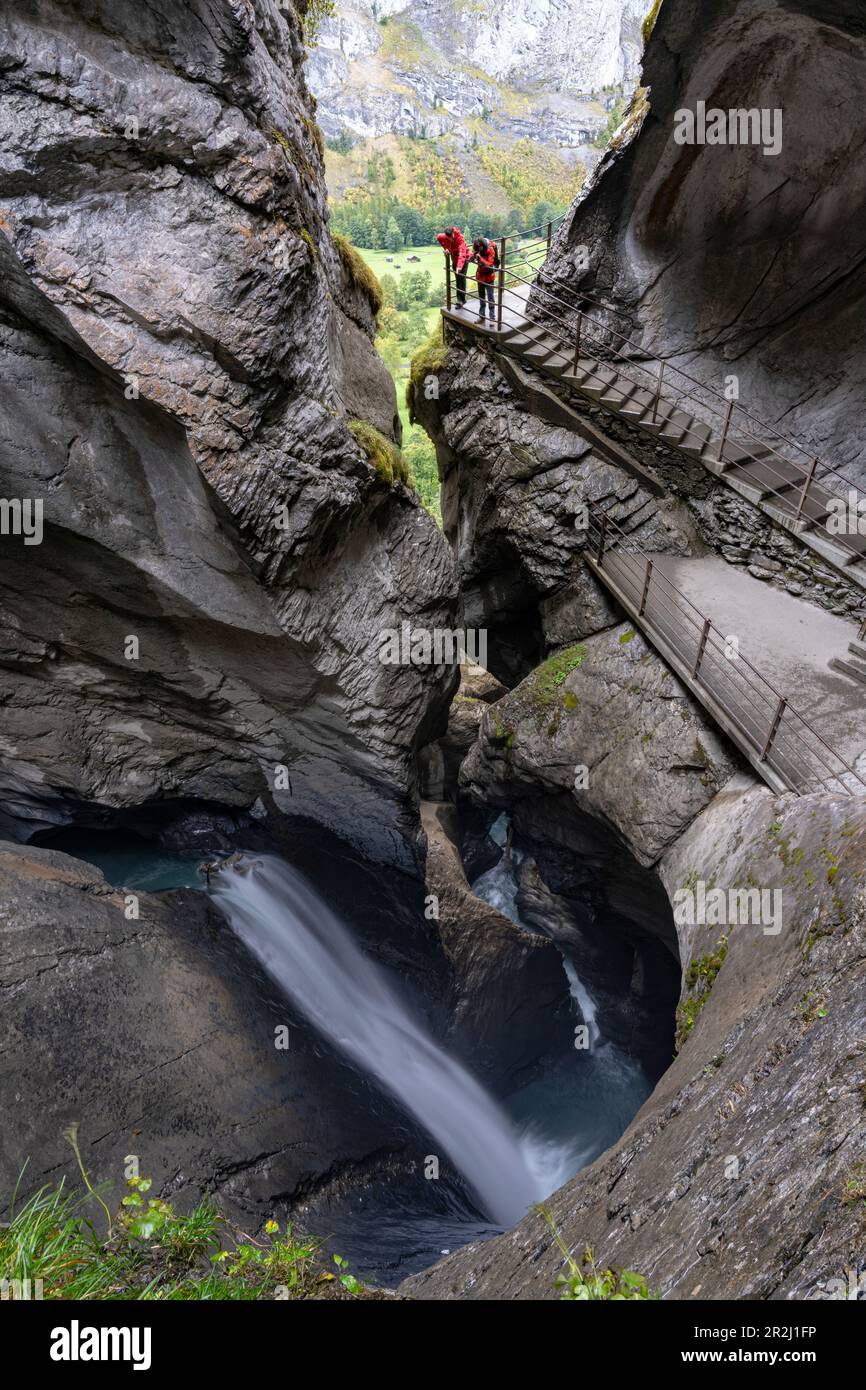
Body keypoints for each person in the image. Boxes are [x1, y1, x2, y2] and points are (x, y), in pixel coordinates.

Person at [436, 226, 469, 307]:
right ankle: (461, 300)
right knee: (458, 280)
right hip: (454, 260)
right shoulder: (443, 236)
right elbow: (439, 238)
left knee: (461, 278)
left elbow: (462, 254)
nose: (450, 239)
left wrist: (459, 266)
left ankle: (461, 300)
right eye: (448, 238)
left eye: (451, 237)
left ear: (453, 233)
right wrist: (446, 248)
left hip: (464, 260)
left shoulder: (460, 239)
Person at [469, 236, 497, 324]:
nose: (479, 249)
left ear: (483, 245)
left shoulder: (491, 249)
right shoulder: (476, 247)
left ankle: (492, 317)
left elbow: (490, 264)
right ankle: (482, 316)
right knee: (481, 297)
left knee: (490, 297)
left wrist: (481, 259)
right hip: (480, 276)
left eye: (480, 247)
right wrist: (473, 255)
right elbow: (470, 259)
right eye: (477, 247)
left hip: (489, 276)